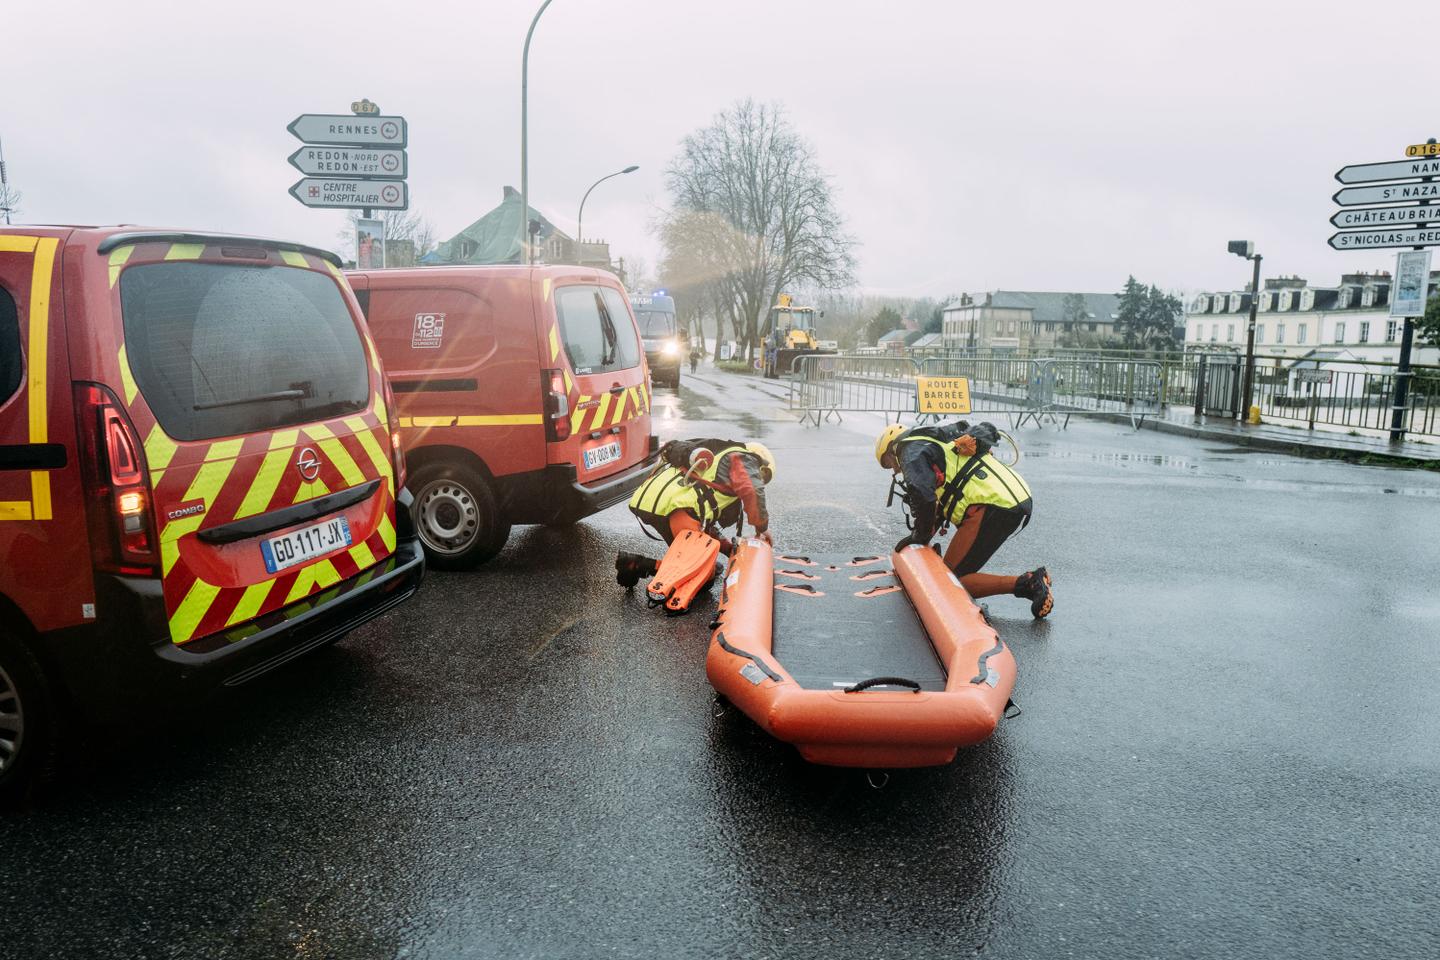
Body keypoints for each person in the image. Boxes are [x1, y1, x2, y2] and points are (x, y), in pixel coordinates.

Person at [876, 420, 1053, 618]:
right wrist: (925, 538)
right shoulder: (934, 439)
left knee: (952, 580)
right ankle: (1029, 585)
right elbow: (943, 496)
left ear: (892, 448)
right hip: (1013, 498)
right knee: (956, 572)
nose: (895, 470)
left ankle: (1030, 583)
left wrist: (919, 535)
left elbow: (924, 497)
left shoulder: (910, 451)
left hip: (992, 504)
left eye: (889, 463)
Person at [616, 438, 776, 590]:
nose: (760, 479)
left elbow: (705, 525)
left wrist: (728, 549)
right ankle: (635, 564)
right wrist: (761, 527)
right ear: (760, 462)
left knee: (709, 567)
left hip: (661, 508)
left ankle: (689, 566)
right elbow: (753, 490)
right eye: (763, 475)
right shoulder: (745, 459)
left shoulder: (723, 458)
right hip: (679, 512)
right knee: (701, 577)